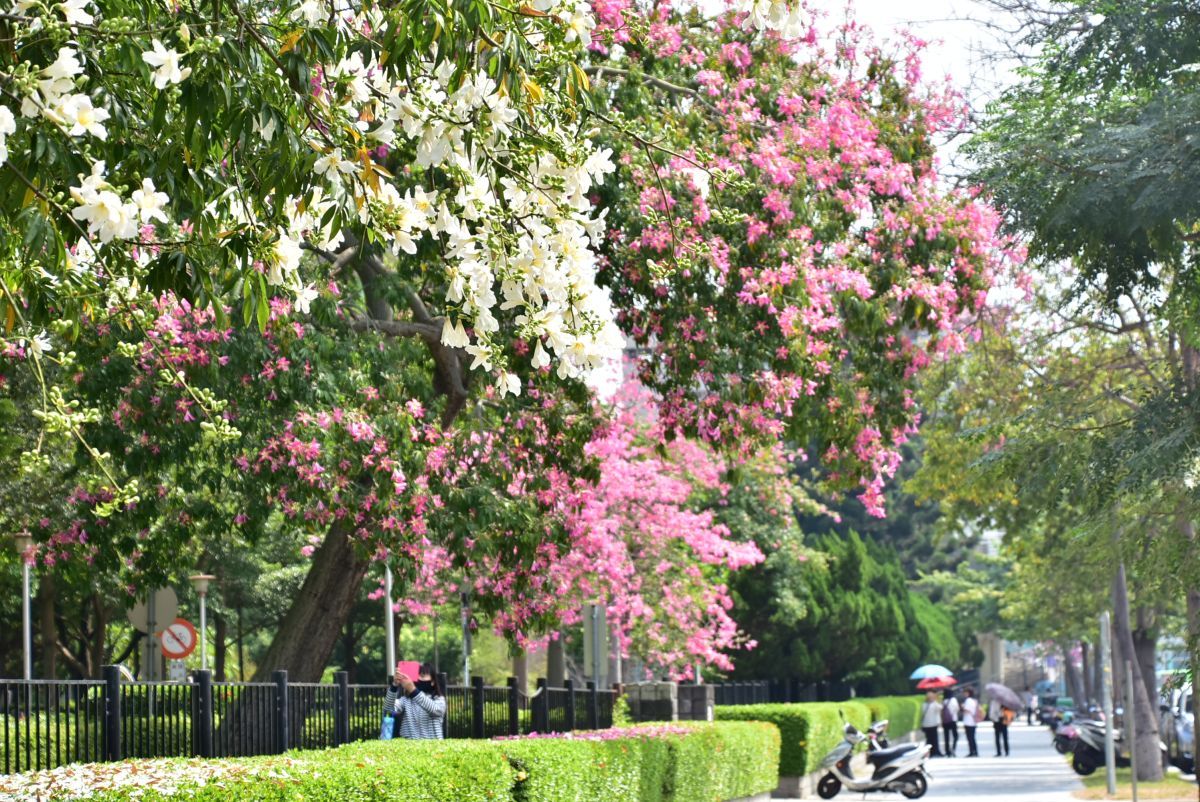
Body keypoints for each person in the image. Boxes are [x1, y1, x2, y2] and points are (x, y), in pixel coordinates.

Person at [382, 661, 446, 740]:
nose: (418, 679)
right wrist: (394, 685)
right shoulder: (405, 700)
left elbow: (435, 710)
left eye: (422, 676)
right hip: (409, 747)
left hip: (433, 747)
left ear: (433, 682)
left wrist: (413, 690)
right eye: (416, 676)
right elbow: (388, 710)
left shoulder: (438, 699)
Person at [921, 690, 944, 757]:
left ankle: (935, 751)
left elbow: (940, 708)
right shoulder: (926, 704)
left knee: (934, 739)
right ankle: (930, 752)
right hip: (928, 724)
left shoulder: (933, 704)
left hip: (933, 724)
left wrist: (936, 700)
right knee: (929, 739)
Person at [961, 687, 980, 757]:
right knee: (972, 737)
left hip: (969, 721)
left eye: (965, 692)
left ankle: (972, 751)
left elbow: (967, 710)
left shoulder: (968, 700)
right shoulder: (974, 700)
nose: (964, 694)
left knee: (970, 738)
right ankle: (974, 751)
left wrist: (962, 707)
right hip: (972, 721)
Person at [941, 689, 960, 757]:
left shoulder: (944, 701)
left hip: (945, 721)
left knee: (946, 737)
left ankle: (947, 751)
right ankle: (953, 748)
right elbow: (957, 709)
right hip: (953, 720)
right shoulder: (953, 700)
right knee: (955, 736)